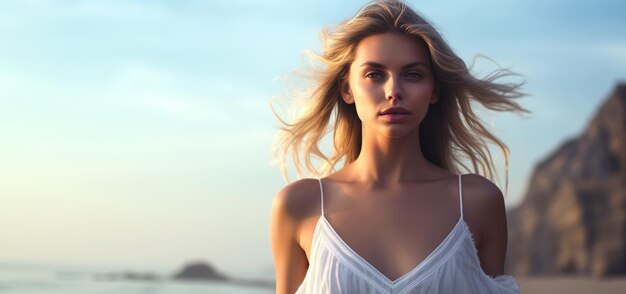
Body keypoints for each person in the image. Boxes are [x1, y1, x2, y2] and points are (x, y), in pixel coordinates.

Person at [270, 0, 527, 293]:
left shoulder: (477, 202)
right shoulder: (299, 206)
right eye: (374, 74)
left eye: (413, 74)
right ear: (346, 89)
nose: (394, 91)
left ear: (434, 91)